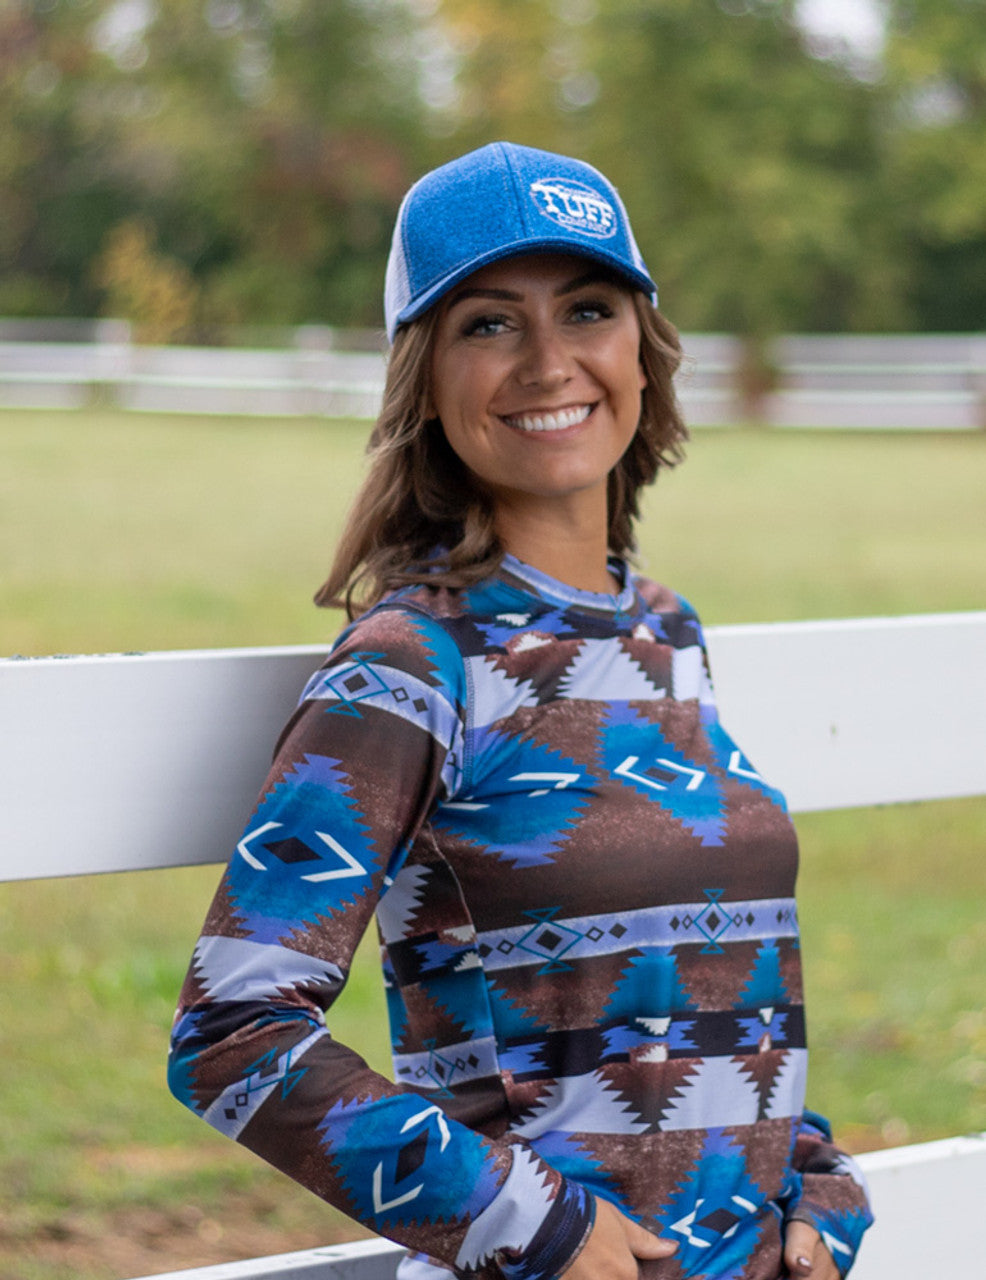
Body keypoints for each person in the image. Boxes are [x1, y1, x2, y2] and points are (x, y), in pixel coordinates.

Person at [168, 141, 873, 1280]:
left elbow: (688, 986)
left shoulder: (666, 633)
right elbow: (232, 1032)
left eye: (587, 308)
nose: (549, 361)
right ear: (424, 377)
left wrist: (809, 1173)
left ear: (640, 351)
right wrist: (523, 1219)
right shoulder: (410, 665)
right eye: (488, 324)